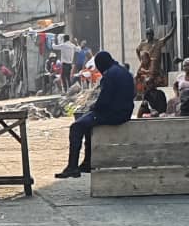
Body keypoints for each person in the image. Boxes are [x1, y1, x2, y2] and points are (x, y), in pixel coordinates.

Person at [55, 51, 134, 179]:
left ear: (101, 64)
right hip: (125, 112)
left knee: (76, 127)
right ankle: (88, 162)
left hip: (114, 115)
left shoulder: (110, 75)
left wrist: (93, 107)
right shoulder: (124, 72)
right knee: (87, 124)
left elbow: (104, 101)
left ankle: (72, 167)